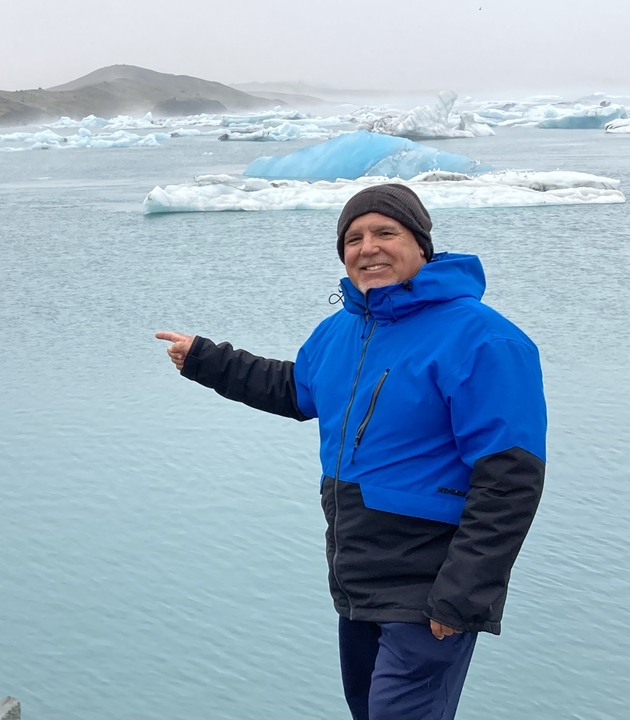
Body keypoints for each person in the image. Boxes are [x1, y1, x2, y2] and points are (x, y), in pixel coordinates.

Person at [156, 184, 546, 720]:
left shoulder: (484, 340)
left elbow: (511, 478)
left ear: (421, 245)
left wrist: (464, 593)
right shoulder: (343, 330)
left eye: (387, 232)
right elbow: (297, 389)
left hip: (429, 585)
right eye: (354, 237)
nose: (369, 247)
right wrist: (207, 360)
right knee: (366, 709)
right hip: (357, 575)